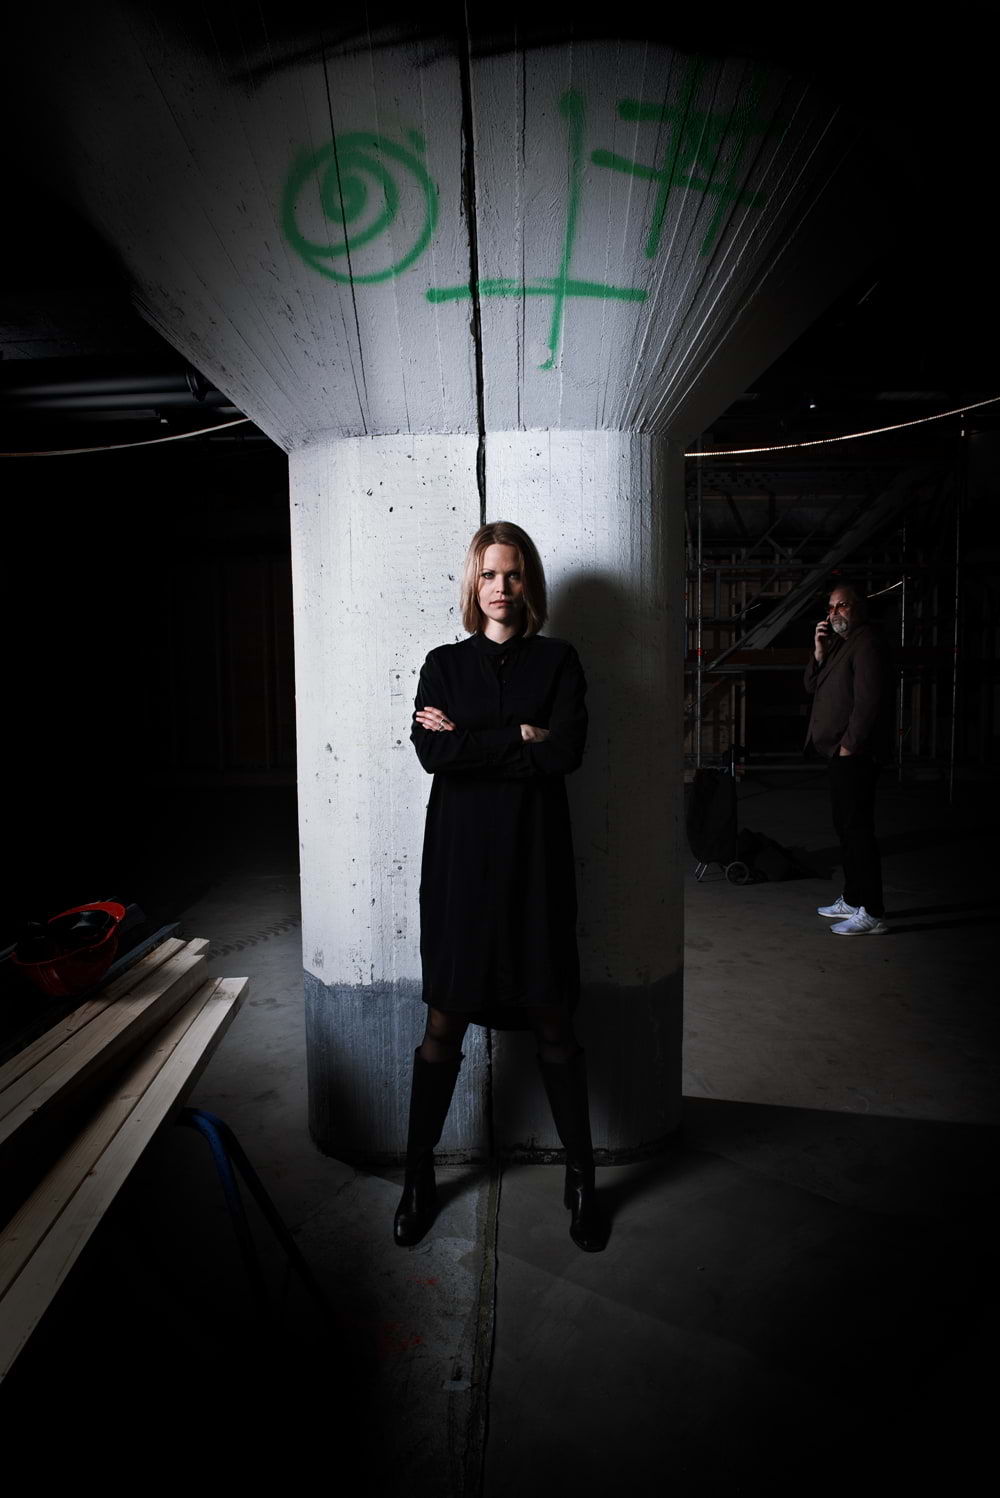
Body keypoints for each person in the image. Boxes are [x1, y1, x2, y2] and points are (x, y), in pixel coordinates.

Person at [395, 520, 607, 1253]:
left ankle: (582, 1178)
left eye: (513, 574)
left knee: (553, 1020)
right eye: (489, 574)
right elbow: (433, 753)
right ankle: (418, 1176)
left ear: (529, 582)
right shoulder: (442, 665)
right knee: (443, 1024)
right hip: (460, 871)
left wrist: (473, 745)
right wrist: (518, 736)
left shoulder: (558, 660)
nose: (501, 587)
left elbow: (567, 751)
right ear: (472, 582)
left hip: (534, 868)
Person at [804, 582, 892, 935]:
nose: (834, 613)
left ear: (859, 608)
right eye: (830, 608)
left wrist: (849, 746)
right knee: (845, 828)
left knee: (858, 831)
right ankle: (854, 898)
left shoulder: (867, 642)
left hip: (854, 754)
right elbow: (811, 686)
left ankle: (872, 911)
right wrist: (819, 652)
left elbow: (868, 701)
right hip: (838, 752)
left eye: (842, 605)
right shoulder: (840, 643)